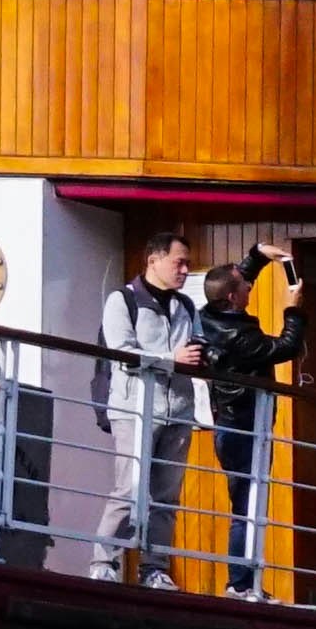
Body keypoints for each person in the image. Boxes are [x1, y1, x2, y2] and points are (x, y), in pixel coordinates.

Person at [95, 232, 209, 583]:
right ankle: (104, 563)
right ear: (153, 260)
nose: (185, 270)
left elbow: (198, 342)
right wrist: (172, 359)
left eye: (188, 263)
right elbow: (122, 352)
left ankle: (154, 569)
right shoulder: (122, 301)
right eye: (179, 262)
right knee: (128, 488)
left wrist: (201, 357)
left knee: (166, 496)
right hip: (134, 408)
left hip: (179, 409)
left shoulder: (185, 306)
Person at [195, 231, 301, 596]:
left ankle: (245, 581)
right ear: (231, 297)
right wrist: (293, 308)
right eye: (245, 287)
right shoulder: (236, 337)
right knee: (247, 505)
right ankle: (240, 584)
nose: (250, 288)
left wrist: (258, 254)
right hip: (242, 427)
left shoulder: (211, 315)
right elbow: (286, 347)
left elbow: (240, 275)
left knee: (249, 502)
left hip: (236, 423)